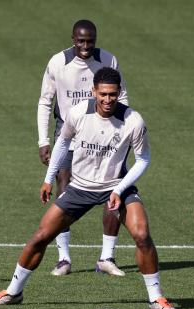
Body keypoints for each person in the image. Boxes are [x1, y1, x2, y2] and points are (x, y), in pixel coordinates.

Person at [0, 67, 176, 309]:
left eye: (113, 95)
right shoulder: (76, 114)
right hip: (81, 187)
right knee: (40, 237)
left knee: (141, 234)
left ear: (120, 93)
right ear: (93, 91)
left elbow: (143, 159)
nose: (108, 100)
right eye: (103, 94)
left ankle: (156, 298)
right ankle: (13, 291)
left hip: (116, 186)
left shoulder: (133, 121)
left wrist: (119, 188)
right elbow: (63, 143)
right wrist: (48, 178)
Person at [37, 19, 129, 277]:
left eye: (90, 41)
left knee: (114, 187)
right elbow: (45, 102)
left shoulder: (109, 60)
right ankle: (63, 258)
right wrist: (43, 140)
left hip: (106, 134)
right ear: (73, 39)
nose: (86, 46)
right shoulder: (58, 63)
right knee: (64, 187)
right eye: (81, 41)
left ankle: (106, 257)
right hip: (68, 131)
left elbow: (122, 99)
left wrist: (124, 134)